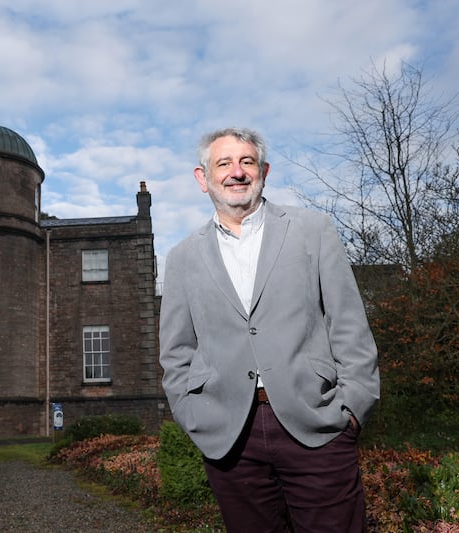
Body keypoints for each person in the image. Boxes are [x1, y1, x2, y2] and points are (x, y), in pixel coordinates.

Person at [159, 127, 380, 532]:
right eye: (223, 163)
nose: (236, 172)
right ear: (202, 177)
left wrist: (352, 409)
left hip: (317, 422)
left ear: (264, 170)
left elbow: (349, 325)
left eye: (247, 162)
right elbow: (177, 353)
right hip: (229, 436)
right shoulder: (182, 257)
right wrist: (193, 415)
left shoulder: (313, 230)